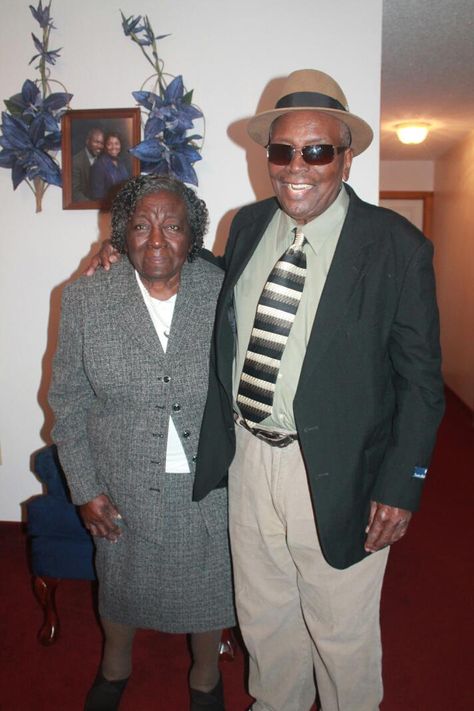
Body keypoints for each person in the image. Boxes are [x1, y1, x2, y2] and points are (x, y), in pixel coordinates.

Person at [89, 70, 445, 711]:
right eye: (282, 151)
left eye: (317, 151)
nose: (296, 167)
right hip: (249, 460)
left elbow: (421, 384)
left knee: (340, 632)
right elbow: (203, 283)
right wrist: (121, 252)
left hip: (339, 469)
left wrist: (402, 484)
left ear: (346, 155)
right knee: (265, 616)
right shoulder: (247, 225)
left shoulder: (397, 247)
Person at [49, 174, 234, 711]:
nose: (156, 239)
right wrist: (85, 488)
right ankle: (115, 666)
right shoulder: (85, 299)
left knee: (209, 584)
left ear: (192, 234)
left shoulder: (223, 290)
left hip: (209, 479)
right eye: (141, 225)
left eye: (172, 225)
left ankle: (205, 676)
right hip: (122, 479)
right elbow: (68, 400)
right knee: (122, 585)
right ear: (121, 235)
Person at [89, 131, 130, 201]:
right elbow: (97, 197)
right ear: (105, 146)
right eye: (109, 144)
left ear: (120, 145)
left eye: (116, 143)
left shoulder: (121, 163)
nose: (113, 147)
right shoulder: (99, 166)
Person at [72, 127, 104, 202]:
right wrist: (92, 206)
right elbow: (75, 193)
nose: (99, 146)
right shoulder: (76, 162)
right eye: (96, 142)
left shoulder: (102, 159)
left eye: (102, 143)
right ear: (87, 141)